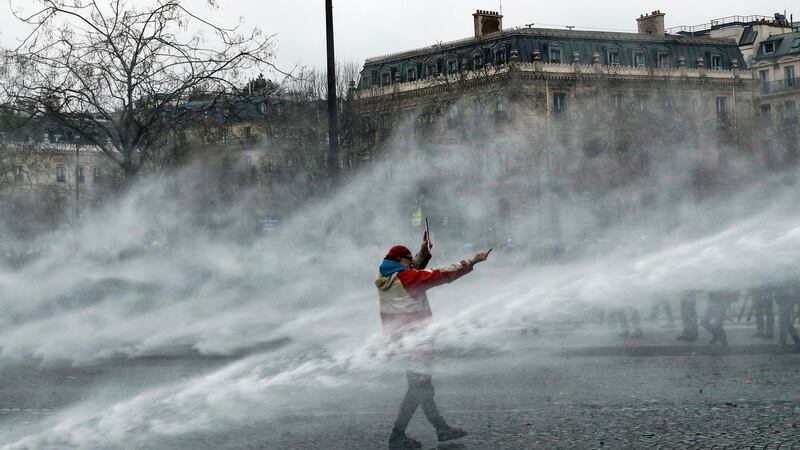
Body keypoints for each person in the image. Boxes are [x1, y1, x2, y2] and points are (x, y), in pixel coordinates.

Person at [376, 233, 491, 449]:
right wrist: (473, 260)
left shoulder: (387, 276)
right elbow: (439, 274)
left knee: (422, 388)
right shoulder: (406, 279)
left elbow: (412, 270)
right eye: (408, 259)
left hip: (401, 342)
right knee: (420, 389)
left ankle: (441, 429)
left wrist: (423, 253)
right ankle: (398, 435)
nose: (412, 263)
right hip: (415, 342)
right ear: (401, 261)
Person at [774, 281, 800, 346]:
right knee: (786, 320)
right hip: (785, 297)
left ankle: (783, 342)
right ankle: (796, 339)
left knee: (783, 320)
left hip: (786, 298)